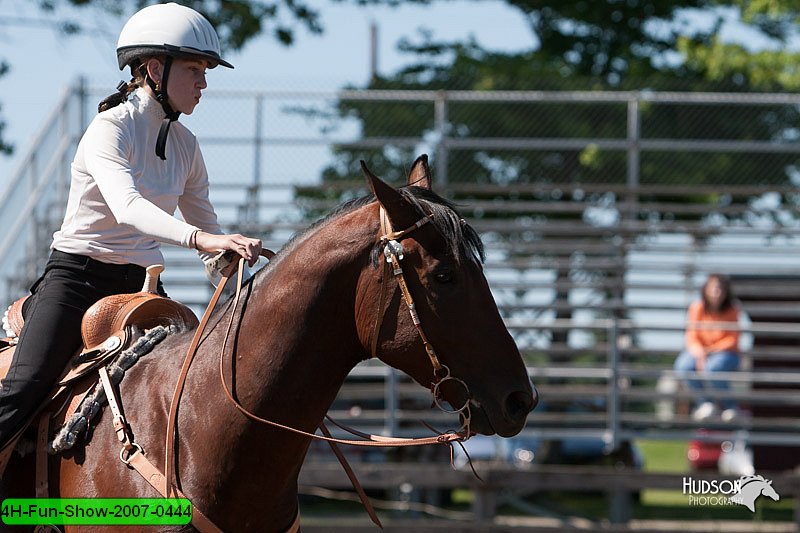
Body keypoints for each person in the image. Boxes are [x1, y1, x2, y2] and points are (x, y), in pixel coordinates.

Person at [0, 3, 262, 450]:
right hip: (76, 282)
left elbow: (208, 235)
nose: (204, 82)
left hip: (143, 291)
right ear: (155, 69)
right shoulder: (108, 129)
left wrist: (238, 272)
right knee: (20, 392)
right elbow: (129, 207)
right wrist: (207, 238)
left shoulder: (186, 145)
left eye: (207, 70)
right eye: (195, 68)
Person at [674, 273, 742, 422]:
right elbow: (692, 335)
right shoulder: (697, 307)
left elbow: (732, 339)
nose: (717, 292)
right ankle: (705, 404)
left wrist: (709, 351)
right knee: (683, 365)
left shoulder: (733, 309)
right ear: (705, 290)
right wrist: (700, 353)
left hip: (725, 352)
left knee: (713, 368)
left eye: (721, 288)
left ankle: (729, 406)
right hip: (700, 351)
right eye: (714, 288)